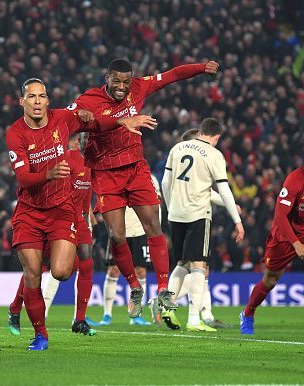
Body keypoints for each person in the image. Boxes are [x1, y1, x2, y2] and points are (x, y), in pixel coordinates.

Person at [5, 78, 156, 351]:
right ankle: (41, 335)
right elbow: (23, 178)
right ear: (22, 102)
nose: (37, 101)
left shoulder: (62, 119)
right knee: (32, 274)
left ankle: (78, 318)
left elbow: (96, 122)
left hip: (62, 210)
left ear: (48, 100)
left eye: (42, 96)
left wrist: (121, 122)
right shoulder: (15, 133)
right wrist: (48, 174)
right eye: (31, 97)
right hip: (29, 211)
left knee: (62, 272)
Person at [68, 58, 220, 318]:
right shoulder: (88, 100)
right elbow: (64, 120)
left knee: (154, 228)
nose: (122, 86)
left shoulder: (139, 87)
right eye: (116, 81)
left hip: (136, 169)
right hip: (105, 175)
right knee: (117, 236)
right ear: (107, 78)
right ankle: (135, 287)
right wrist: (84, 118)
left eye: (126, 82)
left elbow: (170, 76)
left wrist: (200, 68)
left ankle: (163, 289)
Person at [239, 145, 304, 336]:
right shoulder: (295, 180)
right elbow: (280, 216)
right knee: (270, 280)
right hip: (284, 234)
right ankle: (247, 314)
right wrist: (297, 245)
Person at [7, 132, 97, 337]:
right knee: (37, 266)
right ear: (79, 142)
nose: (90, 143)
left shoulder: (94, 166)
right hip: (59, 215)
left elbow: (87, 193)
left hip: (78, 218)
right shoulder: (69, 158)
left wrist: (87, 217)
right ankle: (15, 307)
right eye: (86, 139)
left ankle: (80, 319)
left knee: (87, 257)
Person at [161, 118, 244, 331]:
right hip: (198, 214)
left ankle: (167, 307)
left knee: (181, 263)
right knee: (199, 267)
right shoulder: (214, 154)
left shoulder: (177, 148)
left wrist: (171, 208)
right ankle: (194, 320)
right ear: (216, 136)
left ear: (200, 131)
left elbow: (165, 183)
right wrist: (237, 220)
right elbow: (223, 189)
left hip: (176, 213)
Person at [94, 172, 162, 327]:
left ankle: (136, 315)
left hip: (141, 230)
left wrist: (157, 231)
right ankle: (107, 314)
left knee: (141, 272)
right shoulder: (115, 175)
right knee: (113, 270)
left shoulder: (150, 178)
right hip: (120, 230)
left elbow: (156, 205)